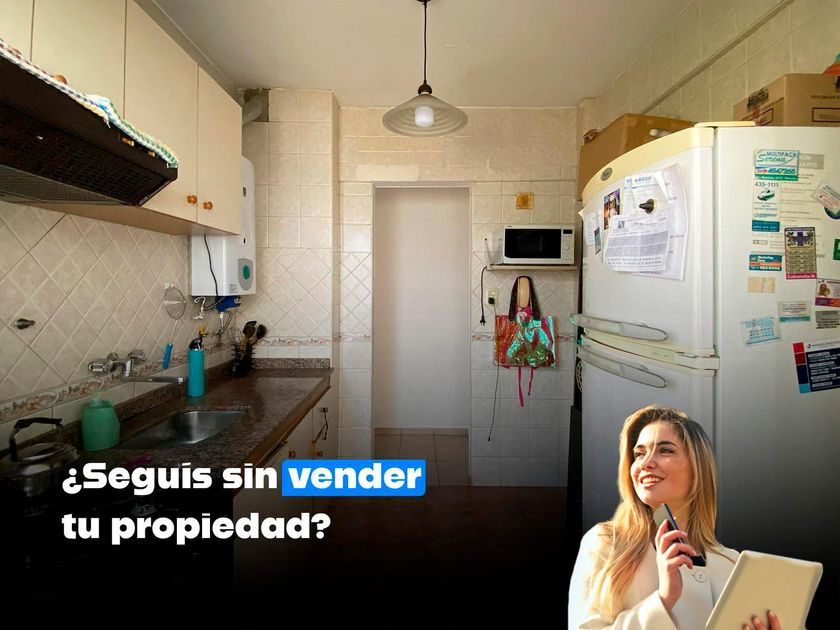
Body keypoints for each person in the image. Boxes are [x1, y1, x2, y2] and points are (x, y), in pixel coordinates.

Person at [568, 405, 781, 630]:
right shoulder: (605, 543)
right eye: (639, 454)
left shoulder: (732, 564)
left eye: (665, 451)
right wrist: (663, 599)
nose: (645, 463)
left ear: (698, 468)